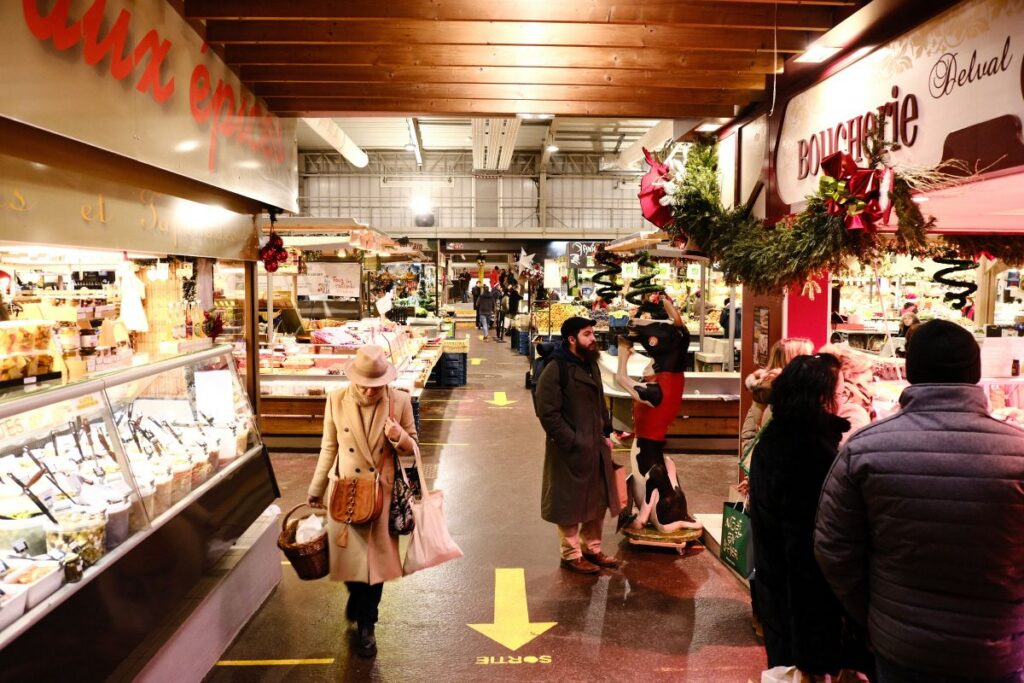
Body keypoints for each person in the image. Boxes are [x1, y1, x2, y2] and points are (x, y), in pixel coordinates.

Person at [816, 320, 1024, 683]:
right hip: (997, 649)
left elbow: (834, 548)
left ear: (910, 370)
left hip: (901, 645)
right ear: (975, 372)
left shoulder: (864, 449)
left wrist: (875, 613)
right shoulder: (1018, 451)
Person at [306, 346, 419, 659]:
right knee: (351, 566)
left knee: (375, 569)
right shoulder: (336, 400)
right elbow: (329, 448)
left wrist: (399, 436)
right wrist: (316, 489)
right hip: (346, 494)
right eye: (365, 382)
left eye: (376, 382)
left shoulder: (400, 401)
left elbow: (413, 449)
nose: (370, 389)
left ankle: (368, 625)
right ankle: (357, 601)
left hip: (381, 499)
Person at [749, 353, 855, 679]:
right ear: (820, 397)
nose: (842, 397)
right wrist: (814, 649)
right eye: (838, 391)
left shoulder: (776, 436)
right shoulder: (809, 451)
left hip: (776, 585)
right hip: (802, 601)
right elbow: (803, 548)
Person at [534, 317, 622, 574]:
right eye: (587, 334)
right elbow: (547, 412)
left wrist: (606, 432)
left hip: (596, 444)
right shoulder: (556, 368)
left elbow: (599, 402)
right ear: (572, 339)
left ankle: (591, 548)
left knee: (598, 499)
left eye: (592, 333)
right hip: (570, 449)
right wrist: (571, 440)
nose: (593, 338)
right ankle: (571, 554)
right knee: (570, 504)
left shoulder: (589, 364)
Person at [740, 337, 815, 462]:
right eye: (808, 356)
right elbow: (754, 432)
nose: (812, 360)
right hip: (772, 462)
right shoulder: (772, 389)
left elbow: (749, 431)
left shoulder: (766, 386)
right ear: (793, 359)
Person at [816, 343, 874, 445]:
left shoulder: (819, 395)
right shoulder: (854, 410)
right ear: (849, 375)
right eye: (868, 382)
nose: (872, 390)